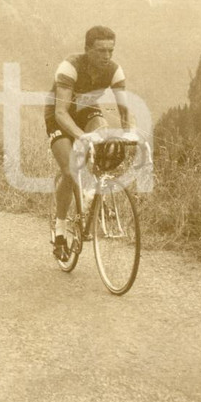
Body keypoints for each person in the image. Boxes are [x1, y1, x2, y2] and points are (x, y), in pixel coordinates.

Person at [45, 25, 131, 262]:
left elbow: (124, 111)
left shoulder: (114, 70)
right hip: (58, 115)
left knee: (104, 139)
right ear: (87, 49)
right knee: (70, 171)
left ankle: (93, 195)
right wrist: (81, 136)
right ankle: (60, 230)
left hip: (88, 112)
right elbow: (61, 112)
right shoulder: (70, 66)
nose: (107, 56)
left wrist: (129, 133)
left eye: (110, 51)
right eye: (101, 50)